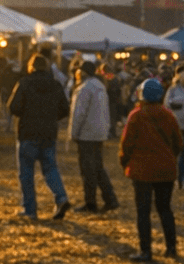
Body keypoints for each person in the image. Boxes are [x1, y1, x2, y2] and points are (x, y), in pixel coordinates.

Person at [119, 76, 182, 261]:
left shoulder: (137, 116)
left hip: (142, 171)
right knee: (165, 209)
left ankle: (145, 250)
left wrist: (125, 163)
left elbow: (126, 144)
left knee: (143, 211)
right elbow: (178, 142)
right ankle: (171, 248)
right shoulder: (168, 115)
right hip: (165, 170)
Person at [8, 54, 71, 221]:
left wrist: (26, 114)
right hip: (48, 133)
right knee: (51, 169)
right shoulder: (55, 85)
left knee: (26, 173)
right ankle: (61, 197)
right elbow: (65, 108)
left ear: (31, 66)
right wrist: (50, 117)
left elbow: (13, 106)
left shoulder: (24, 83)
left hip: (27, 132)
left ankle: (30, 209)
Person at [69, 60, 119, 214]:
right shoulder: (100, 87)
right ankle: (110, 199)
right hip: (99, 132)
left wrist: (73, 133)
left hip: (87, 133)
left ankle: (90, 202)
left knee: (87, 169)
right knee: (98, 167)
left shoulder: (84, 89)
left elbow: (79, 113)